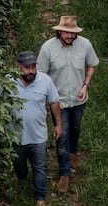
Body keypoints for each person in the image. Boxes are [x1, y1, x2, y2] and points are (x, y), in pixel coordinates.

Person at [37, 15, 98, 193]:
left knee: (75, 128)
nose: (70, 36)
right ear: (59, 31)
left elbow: (92, 64)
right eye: (66, 32)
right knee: (61, 134)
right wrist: (49, 97)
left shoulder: (85, 44)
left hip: (79, 99)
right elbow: (41, 75)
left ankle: (73, 154)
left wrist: (86, 84)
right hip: (59, 101)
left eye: (73, 33)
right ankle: (64, 173)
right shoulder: (48, 48)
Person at [9, 50, 62, 206]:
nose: (31, 71)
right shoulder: (8, 82)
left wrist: (58, 123)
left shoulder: (45, 81)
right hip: (15, 135)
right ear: (18, 67)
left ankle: (40, 199)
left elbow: (54, 102)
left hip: (38, 135)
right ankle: (22, 179)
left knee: (40, 168)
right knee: (19, 165)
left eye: (33, 67)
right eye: (26, 67)